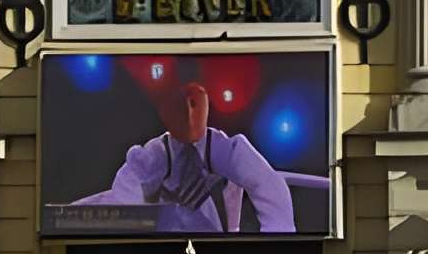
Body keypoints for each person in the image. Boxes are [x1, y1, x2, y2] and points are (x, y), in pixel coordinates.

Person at [68, 80, 296, 235]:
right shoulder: (151, 157)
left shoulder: (229, 150)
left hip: (221, 253)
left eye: (193, 106)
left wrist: (274, 246)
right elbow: (122, 204)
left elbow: (269, 186)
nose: (188, 115)